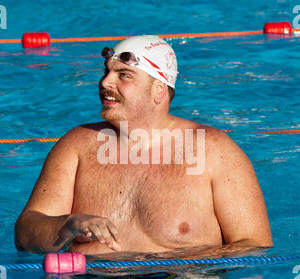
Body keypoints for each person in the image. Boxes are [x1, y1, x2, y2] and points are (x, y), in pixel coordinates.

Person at [14, 35, 272, 259]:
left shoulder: (214, 150)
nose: (105, 82)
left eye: (123, 75)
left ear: (159, 90)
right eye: (106, 71)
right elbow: (25, 234)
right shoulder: (77, 144)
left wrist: (183, 263)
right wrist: (68, 225)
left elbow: (255, 246)